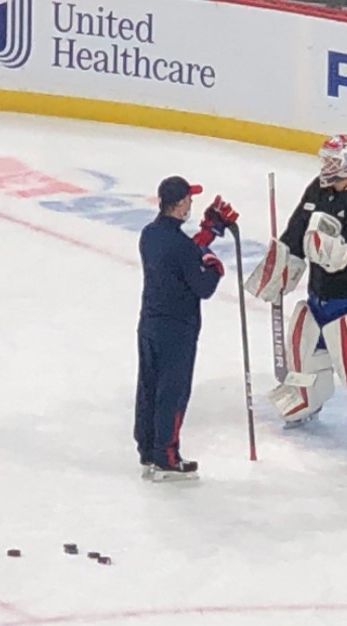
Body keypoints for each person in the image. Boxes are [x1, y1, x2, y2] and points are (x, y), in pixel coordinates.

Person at [245, 134, 347, 458]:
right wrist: (282, 266)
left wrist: (343, 255)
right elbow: (297, 231)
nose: (326, 166)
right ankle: (306, 398)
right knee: (306, 339)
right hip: (320, 295)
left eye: (332, 161)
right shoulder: (317, 190)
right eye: (324, 159)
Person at [134, 175, 239, 481]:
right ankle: (167, 457)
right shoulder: (181, 247)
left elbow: (181, 256)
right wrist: (214, 266)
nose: (192, 202)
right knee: (173, 392)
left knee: (149, 388)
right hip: (177, 330)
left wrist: (206, 235)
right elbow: (203, 285)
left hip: (150, 324)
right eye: (189, 199)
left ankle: (148, 451)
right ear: (179, 204)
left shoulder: (150, 234)